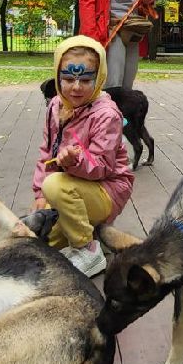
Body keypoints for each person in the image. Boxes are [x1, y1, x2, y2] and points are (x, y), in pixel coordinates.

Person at [33, 35, 134, 277]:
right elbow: (46, 152)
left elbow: (102, 167)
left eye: (85, 79)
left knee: (55, 185)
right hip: (72, 186)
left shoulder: (107, 114)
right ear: (58, 77)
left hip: (106, 189)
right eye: (68, 79)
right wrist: (39, 194)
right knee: (41, 239)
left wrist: (74, 162)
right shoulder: (56, 105)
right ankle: (91, 229)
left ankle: (87, 249)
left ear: (99, 78)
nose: (76, 87)